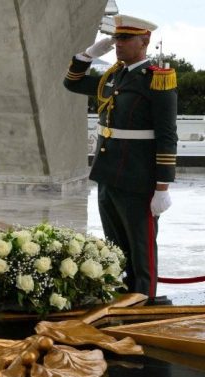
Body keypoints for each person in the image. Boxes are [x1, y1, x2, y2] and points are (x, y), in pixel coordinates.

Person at [63, 14, 177, 299]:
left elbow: (166, 136)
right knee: (115, 246)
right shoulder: (113, 76)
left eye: (126, 38)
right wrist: (87, 55)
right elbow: (72, 83)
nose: (118, 44)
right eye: (116, 38)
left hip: (138, 179)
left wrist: (162, 187)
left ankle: (143, 300)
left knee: (141, 246)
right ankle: (123, 298)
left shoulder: (157, 80)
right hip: (108, 173)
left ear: (145, 40)